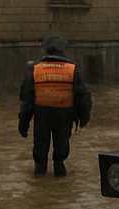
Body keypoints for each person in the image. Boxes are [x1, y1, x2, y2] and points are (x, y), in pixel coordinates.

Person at [18, 32, 91, 177]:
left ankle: (40, 173)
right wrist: (84, 117)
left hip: (41, 115)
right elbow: (82, 97)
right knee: (62, 143)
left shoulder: (36, 69)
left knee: (40, 145)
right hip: (64, 115)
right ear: (62, 49)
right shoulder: (72, 69)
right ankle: (59, 167)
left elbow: (27, 99)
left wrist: (23, 123)